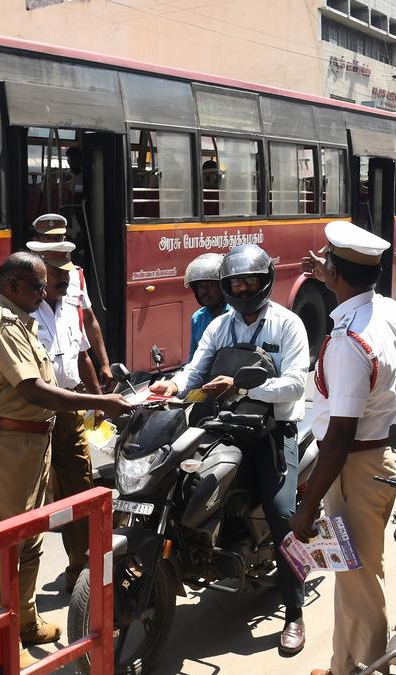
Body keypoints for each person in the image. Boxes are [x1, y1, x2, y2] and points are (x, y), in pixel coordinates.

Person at [0, 252, 131, 667]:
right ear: (13, 284)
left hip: (28, 444)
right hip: (0, 445)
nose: (46, 293)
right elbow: (33, 390)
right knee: (0, 548)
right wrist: (100, 402)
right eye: (39, 286)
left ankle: (24, 620)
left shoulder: (19, 315)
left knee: (29, 538)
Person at [148, 243, 311, 654]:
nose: (242, 288)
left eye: (249, 281)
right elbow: (196, 368)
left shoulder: (287, 324)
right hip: (223, 426)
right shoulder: (221, 325)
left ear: (265, 282)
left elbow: (295, 383)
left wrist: (242, 385)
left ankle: (294, 611)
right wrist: (174, 385)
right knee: (180, 483)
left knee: (281, 514)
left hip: (272, 431)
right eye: (235, 282)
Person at [293, 221, 396, 675]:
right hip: (378, 460)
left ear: (338, 276)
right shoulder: (386, 312)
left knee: (361, 584)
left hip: (353, 467)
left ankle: (367, 668)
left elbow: (340, 434)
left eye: (328, 265)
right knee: (351, 576)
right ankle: (345, 666)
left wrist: (308, 503)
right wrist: (330, 271)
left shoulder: (348, 342)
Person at [27, 239, 102, 594]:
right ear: (40, 274)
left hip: (69, 415)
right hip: (33, 417)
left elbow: (82, 355)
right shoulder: (22, 311)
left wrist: (99, 399)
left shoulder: (71, 304)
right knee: (32, 502)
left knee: (80, 491)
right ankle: (21, 596)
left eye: (68, 273)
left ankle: (80, 567)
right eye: (57, 274)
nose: (65, 280)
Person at [31, 213, 114, 388]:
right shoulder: (25, 292)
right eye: (48, 238)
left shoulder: (75, 275)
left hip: (70, 394)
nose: (55, 242)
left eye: (59, 237)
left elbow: (88, 323)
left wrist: (104, 363)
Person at [183, 252, 229, 358]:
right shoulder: (198, 318)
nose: (204, 291)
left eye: (210, 285)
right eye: (200, 286)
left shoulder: (236, 314)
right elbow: (194, 357)